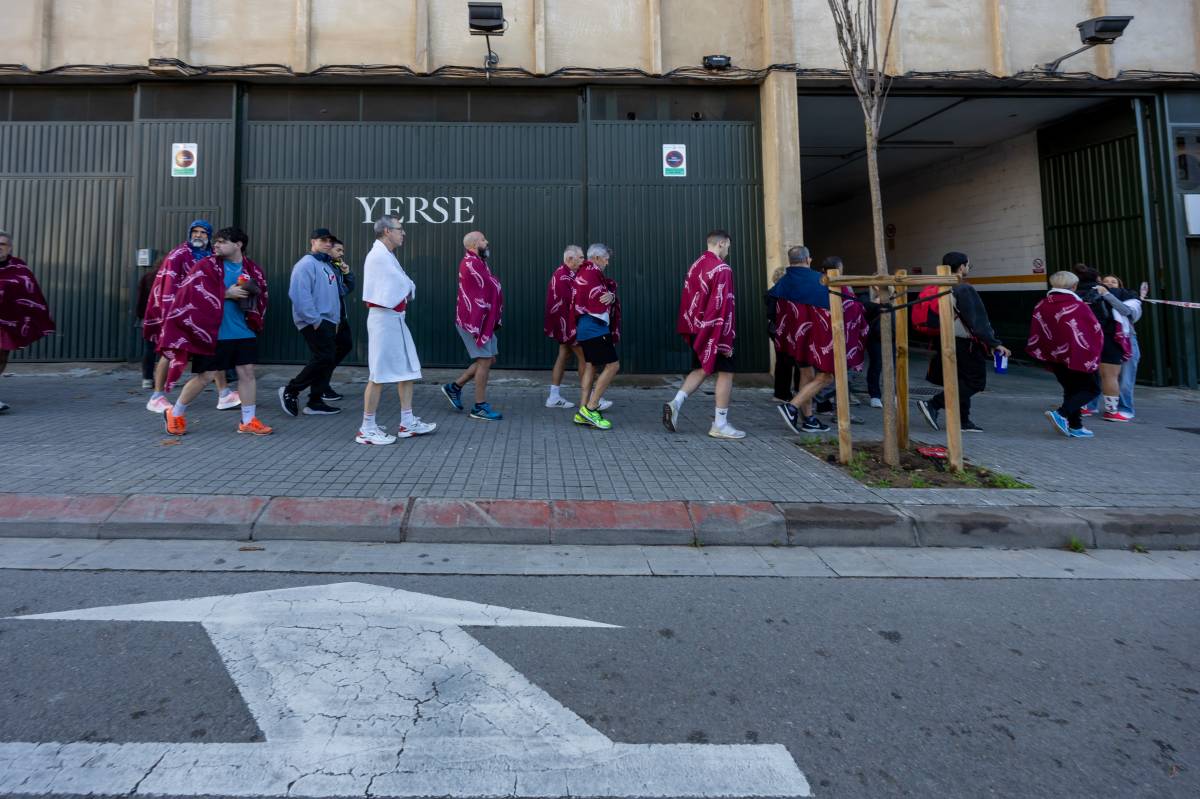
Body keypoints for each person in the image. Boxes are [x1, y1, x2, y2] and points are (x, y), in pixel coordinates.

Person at [159, 227, 272, 436]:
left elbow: (262, 295)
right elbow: (188, 294)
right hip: (213, 333)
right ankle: (175, 413)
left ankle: (248, 420)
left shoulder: (253, 269)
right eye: (216, 242)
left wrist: (252, 299)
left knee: (247, 374)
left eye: (222, 242)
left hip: (244, 331)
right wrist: (225, 293)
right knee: (206, 376)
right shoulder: (205, 266)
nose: (216, 245)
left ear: (238, 245)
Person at [769, 246, 868, 434]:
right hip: (821, 341)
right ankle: (791, 407)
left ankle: (810, 420)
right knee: (826, 376)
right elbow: (851, 306)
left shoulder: (783, 283)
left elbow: (774, 310)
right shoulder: (822, 281)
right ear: (808, 260)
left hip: (796, 341)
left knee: (806, 375)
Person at [143, 220, 238, 414]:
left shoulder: (213, 256)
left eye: (203, 233)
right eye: (195, 231)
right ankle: (156, 396)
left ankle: (224, 393)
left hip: (204, 313)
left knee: (213, 350)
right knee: (169, 351)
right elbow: (169, 285)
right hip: (178, 312)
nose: (198, 235)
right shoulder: (178, 255)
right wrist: (172, 313)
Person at [356, 215, 436, 444]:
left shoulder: (386, 255)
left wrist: (407, 286)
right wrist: (408, 286)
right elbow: (403, 284)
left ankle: (407, 422)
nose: (404, 233)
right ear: (386, 232)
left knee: (407, 370)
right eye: (400, 229)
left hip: (395, 319)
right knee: (378, 374)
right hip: (384, 319)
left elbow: (405, 284)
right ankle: (367, 428)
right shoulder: (378, 256)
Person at [915, 251, 1011, 433]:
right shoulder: (963, 289)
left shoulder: (938, 286)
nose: (968, 269)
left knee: (960, 381)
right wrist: (994, 343)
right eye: (968, 265)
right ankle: (933, 404)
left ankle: (963, 421)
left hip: (943, 340)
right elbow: (978, 320)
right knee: (975, 382)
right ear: (961, 267)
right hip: (965, 343)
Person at [662, 230, 745, 440]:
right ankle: (720, 423)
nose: (727, 251)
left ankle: (676, 403)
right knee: (726, 373)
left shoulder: (696, 265)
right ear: (722, 243)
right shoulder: (722, 268)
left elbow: (690, 299)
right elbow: (723, 304)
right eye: (728, 246)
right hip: (716, 331)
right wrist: (725, 340)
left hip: (698, 329)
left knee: (700, 369)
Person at [1026, 270, 1103, 438]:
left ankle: (1076, 426)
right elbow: (1092, 330)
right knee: (1092, 389)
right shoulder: (1078, 306)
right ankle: (1061, 414)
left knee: (1071, 389)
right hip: (1078, 356)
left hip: (1054, 356)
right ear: (1074, 286)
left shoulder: (1041, 304)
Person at [279, 227, 342, 417]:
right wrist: (314, 320)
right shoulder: (305, 264)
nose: (328, 244)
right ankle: (291, 390)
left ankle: (315, 402)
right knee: (324, 357)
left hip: (328, 321)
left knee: (325, 359)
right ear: (313, 242)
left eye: (330, 241)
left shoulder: (326, 265)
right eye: (323, 240)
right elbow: (299, 295)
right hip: (314, 321)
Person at [442, 230, 504, 421]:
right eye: (483, 240)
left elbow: (491, 286)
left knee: (489, 359)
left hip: (484, 321)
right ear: (473, 245)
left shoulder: (479, 263)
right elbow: (490, 286)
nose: (487, 242)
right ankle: (479, 406)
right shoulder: (471, 263)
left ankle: (454, 387)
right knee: (484, 361)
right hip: (473, 322)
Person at [0, 229, 56, 413]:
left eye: (2, 244)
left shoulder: (19, 268)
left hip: (7, 324)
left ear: (10, 248)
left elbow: (31, 294)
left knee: (1, 358)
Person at [572, 244, 621, 430]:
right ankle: (591, 408)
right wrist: (610, 296)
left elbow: (605, 294)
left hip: (586, 327)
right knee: (613, 365)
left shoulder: (587, 273)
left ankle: (582, 410)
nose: (608, 262)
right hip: (595, 328)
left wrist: (611, 295)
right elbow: (600, 298)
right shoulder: (591, 273)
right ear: (597, 258)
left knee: (591, 366)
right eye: (606, 258)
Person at [1080, 270, 1139, 422]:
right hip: (1100, 338)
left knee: (1125, 377)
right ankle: (1091, 405)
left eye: (1113, 282)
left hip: (1125, 338)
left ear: (1120, 285)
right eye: (1106, 282)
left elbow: (1126, 311)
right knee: (1097, 374)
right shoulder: (1093, 295)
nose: (1109, 284)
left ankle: (1125, 408)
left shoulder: (1130, 297)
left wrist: (1107, 294)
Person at [543, 245, 585, 409]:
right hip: (567, 325)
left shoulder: (569, 274)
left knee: (564, 355)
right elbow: (571, 304)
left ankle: (553, 396)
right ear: (569, 259)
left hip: (565, 325)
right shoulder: (563, 277)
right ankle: (590, 398)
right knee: (586, 359)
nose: (583, 260)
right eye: (580, 257)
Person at [325, 236, 355, 402]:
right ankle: (320, 386)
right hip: (331, 318)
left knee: (344, 346)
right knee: (326, 354)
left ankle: (322, 384)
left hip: (340, 316)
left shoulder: (336, 267)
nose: (342, 253)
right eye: (339, 250)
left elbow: (348, 288)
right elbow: (340, 291)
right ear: (328, 249)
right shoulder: (326, 268)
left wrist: (347, 273)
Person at [767, 265, 801, 402]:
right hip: (786, 331)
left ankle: (781, 393)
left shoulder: (771, 292)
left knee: (781, 362)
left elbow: (770, 314)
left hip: (775, 329)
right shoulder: (788, 293)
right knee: (797, 361)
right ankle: (798, 391)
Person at [135, 255, 164, 389]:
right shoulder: (171, 277)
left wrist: (140, 316)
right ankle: (165, 379)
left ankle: (147, 379)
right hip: (165, 319)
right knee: (168, 350)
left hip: (148, 318)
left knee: (149, 350)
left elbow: (140, 299)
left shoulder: (147, 277)